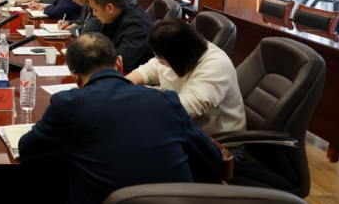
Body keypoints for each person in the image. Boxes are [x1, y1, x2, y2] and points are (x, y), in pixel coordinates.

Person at [19, 33, 223, 204]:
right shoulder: (167, 100)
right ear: (119, 63)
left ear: (76, 77)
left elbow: (28, 150)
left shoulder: (67, 104)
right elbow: (212, 160)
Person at [127, 19, 246, 135]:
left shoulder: (216, 64)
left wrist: (145, 94)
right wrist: (123, 84)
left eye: (160, 58)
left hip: (216, 139)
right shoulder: (176, 52)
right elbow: (147, 71)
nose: (159, 61)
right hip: (183, 127)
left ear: (176, 56)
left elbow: (185, 107)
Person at [87, 0, 154, 73]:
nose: (94, 14)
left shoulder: (137, 25)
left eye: (95, 10)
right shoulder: (114, 16)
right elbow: (102, 46)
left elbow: (121, 63)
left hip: (137, 77)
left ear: (110, 8)